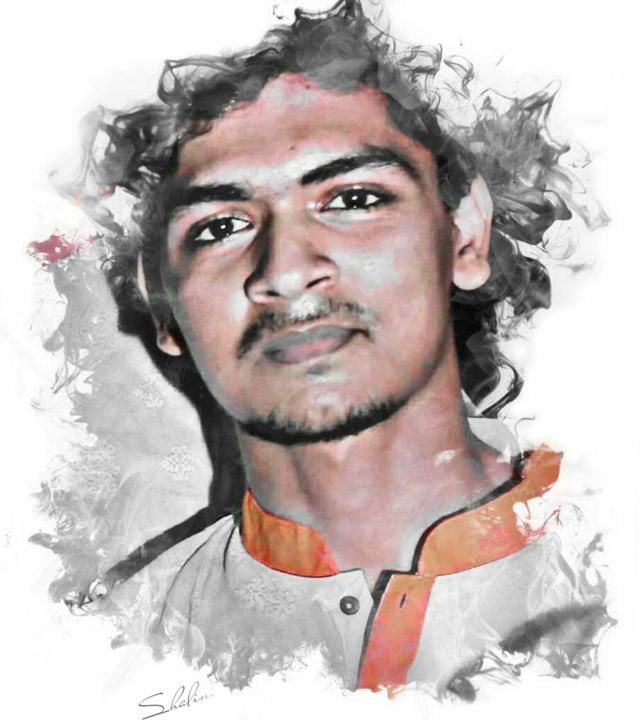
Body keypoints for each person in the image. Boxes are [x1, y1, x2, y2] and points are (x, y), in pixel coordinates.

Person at [48, 0, 610, 701]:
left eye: (353, 199)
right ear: (161, 301)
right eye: (220, 226)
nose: (285, 270)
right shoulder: (106, 660)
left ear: (465, 234)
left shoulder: (614, 575)